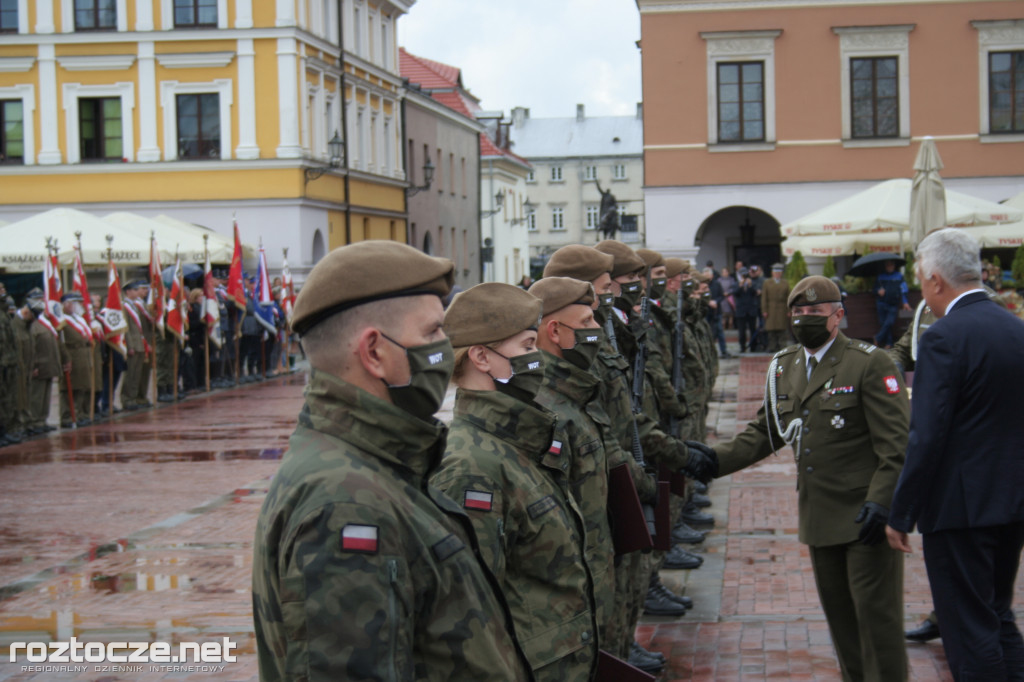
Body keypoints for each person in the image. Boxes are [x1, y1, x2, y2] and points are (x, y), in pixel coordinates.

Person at [251, 241, 531, 681]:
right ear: (375, 352)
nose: (447, 345)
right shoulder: (345, 503)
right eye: (433, 333)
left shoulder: (377, 463)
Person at [698, 276, 911, 681]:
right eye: (798, 313)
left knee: (876, 622)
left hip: (866, 515)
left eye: (815, 312)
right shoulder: (786, 365)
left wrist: (883, 501)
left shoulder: (869, 362)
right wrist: (711, 461)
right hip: (819, 515)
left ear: (838, 316)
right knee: (842, 623)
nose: (805, 319)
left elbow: (896, 445)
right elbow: (765, 431)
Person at [431, 282, 598, 682]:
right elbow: (473, 612)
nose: (537, 358)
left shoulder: (516, 439)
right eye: (526, 347)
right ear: (482, 357)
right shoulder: (470, 465)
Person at [886, 229, 1024, 681]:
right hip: (1011, 499)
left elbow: (926, 435)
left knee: (968, 629)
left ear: (935, 280)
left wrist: (900, 512)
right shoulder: (1015, 328)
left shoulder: (944, 337)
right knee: (997, 614)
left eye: (921, 281)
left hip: (960, 508)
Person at [874, 260, 912, 348]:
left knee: (889, 322)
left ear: (894, 266)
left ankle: (878, 338)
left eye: (891, 265)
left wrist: (905, 301)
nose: (889, 267)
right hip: (881, 303)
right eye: (887, 265)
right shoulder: (880, 277)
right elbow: (874, 289)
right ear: (885, 266)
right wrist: (878, 291)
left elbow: (904, 289)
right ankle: (889, 343)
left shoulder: (899, 276)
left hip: (893, 304)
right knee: (884, 324)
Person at [761, 263, 790, 352]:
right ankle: (772, 346)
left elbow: (788, 297)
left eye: (779, 272)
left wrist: (789, 310)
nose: (777, 274)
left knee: (782, 329)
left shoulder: (785, 283)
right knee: (771, 330)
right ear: (772, 273)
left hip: (782, 309)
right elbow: (764, 298)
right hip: (771, 308)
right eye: (775, 272)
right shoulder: (767, 283)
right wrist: (764, 310)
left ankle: (782, 346)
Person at [733, 266, 761, 353]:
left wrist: (750, 285)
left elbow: (755, 293)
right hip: (741, 311)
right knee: (742, 331)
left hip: (751, 310)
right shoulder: (736, 283)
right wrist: (741, 285)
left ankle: (753, 346)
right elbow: (735, 293)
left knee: (753, 329)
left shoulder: (752, 283)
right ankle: (742, 347)